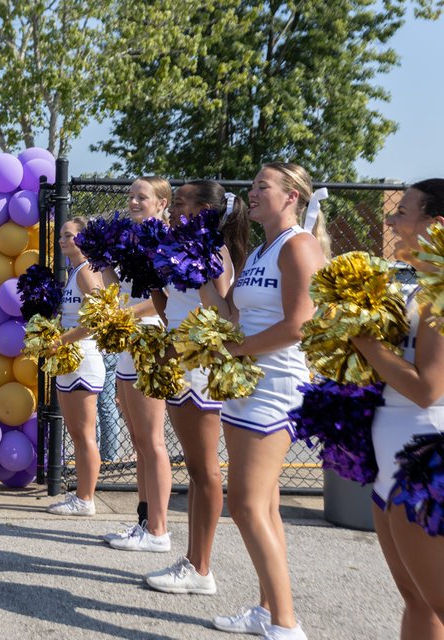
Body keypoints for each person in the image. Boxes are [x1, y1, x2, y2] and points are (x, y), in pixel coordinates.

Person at [198, 162, 328, 640]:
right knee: (265, 507)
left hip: (275, 388)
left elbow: (299, 325)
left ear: (292, 196)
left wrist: (233, 351)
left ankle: (287, 625)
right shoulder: (259, 251)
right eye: (252, 185)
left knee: (246, 505)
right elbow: (231, 314)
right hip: (245, 384)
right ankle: (268, 609)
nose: (251, 192)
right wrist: (198, 273)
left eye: (262, 186)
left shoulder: (299, 246)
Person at [144, 181, 247, 596]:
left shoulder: (214, 252)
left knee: (205, 471)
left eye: (180, 202)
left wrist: (178, 349)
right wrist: (151, 276)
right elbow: (172, 309)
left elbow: (223, 318)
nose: (171, 209)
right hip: (181, 365)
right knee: (196, 467)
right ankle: (193, 560)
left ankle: (200, 568)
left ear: (203, 210)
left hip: (199, 371)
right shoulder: (187, 248)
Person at [352, 179, 444, 639]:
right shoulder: (417, 290)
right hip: (393, 458)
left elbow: (428, 389)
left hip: (424, 461)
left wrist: (363, 341)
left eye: (402, 212)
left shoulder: (440, 295)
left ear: (436, 225)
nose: (390, 221)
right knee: (416, 599)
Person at [101, 176, 173, 552]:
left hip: (151, 339)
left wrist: (126, 315)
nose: (132, 201)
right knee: (140, 441)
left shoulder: (164, 241)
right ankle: (144, 521)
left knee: (152, 440)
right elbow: (119, 292)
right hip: (130, 341)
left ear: (162, 203)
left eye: (141, 197)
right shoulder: (132, 240)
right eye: (130, 195)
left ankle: (158, 530)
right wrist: (101, 259)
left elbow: (162, 299)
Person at [43, 217, 107, 516]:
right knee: (76, 433)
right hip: (69, 357)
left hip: (83, 357)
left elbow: (98, 319)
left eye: (68, 235)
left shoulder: (87, 271)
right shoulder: (75, 272)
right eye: (61, 235)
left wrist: (61, 339)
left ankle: (85, 499)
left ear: (84, 239)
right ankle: (81, 495)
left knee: (84, 433)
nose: (62, 240)